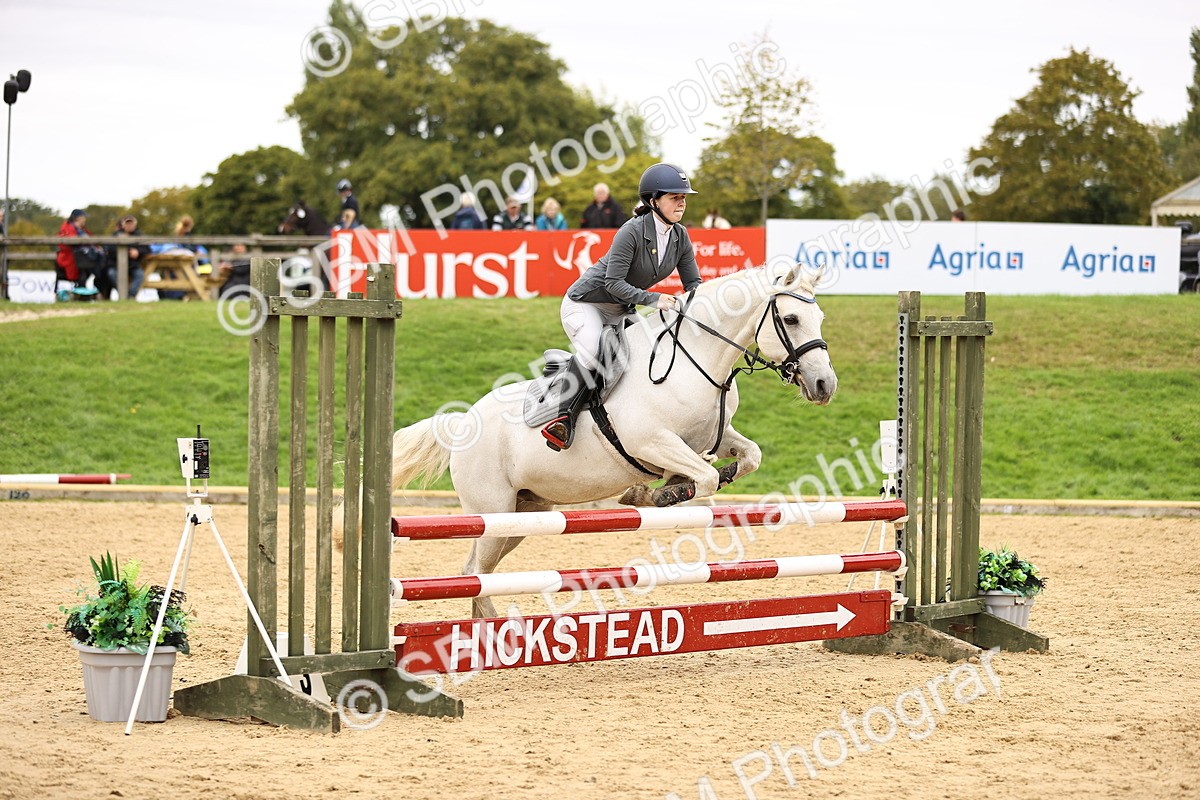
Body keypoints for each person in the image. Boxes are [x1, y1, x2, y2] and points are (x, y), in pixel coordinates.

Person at [541, 163, 701, 450]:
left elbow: (694, 286)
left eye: (684, 197)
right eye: (675, 197)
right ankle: (562, 419)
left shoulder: (680, 236)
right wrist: (655, 299)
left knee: (651, 354)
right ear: (653, 201)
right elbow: (613, 283)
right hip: (586, 303)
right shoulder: (632, 231)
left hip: (620, 309)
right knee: (594, 354)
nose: (682, 202)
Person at [55, 209, 104, 299]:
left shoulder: (83, 230)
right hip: (71, 259)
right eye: (83, 217)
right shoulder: (67, 228)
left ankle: (90, 292)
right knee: (91, 269)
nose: (85, 220)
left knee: (100, 267)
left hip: (85, 260)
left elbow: (92, 241)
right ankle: (85, 294)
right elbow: (66, 244)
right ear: (78, 218)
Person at [103, 214, 148, 299]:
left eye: (131, 223)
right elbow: (110, 249)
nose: (129, 225)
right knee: (111, 273)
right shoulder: (115, 235)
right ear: (123, 225)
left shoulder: (140, 236)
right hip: (116, 265)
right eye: (127, 223)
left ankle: (130, 295)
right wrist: (126, 252)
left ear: (135, 225)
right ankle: (124, 295)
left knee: (139, 275)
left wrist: (138, 252)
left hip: (133, 265)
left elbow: (147, 249)